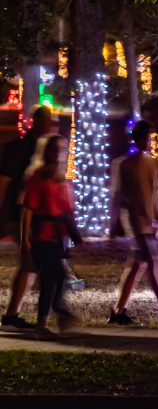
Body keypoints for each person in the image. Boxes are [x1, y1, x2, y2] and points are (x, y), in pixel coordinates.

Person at [108, 120, 158, 327]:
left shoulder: (153, 163)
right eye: (143, 137)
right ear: (134, 139)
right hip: (134, 221)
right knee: (153, 262)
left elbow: (156, 195)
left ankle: (118, 311)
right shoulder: (123, 164)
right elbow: (116, 196)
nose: (147, 142)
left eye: (149, 138)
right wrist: (112, 224)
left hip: (147, 222)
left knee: (135, 266)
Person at [21, 134, 82, 340]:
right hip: (42, 235)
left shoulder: (61, 177)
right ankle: (47, 320)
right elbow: (28, 210)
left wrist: (73, 234)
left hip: (58, 236)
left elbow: (67, 209)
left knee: (58, 277)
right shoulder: (38, 177)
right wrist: (25, 241)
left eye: (60, 149)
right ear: (46, 151)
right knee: (53, 276)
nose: (57, 153)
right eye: (53, 149)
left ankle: (52, 317)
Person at [0, 106, 53, 330]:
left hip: (31, 215)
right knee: (30, 261)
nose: (50, 126)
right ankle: (13, 316)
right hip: (16, 213)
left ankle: (13, 314)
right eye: (47, 121)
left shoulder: (42, 150)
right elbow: (4, 181)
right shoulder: (20, 149)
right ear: (37, 123)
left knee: (30, 264)